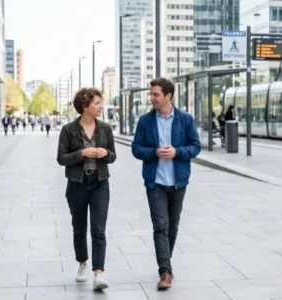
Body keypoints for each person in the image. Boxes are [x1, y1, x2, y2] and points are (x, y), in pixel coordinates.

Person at [131, 77, 201, 290]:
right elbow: (136, 149)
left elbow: (195, 147)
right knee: (160, 226)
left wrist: (177, 152)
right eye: (151, 94)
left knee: (172, 227)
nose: (151, 98)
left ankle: (165, 263)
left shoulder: (186, 119)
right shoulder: (145, 121)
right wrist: (154, 152)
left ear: (168, 96)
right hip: (156, 183)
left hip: (179, 182)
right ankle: (165, 271)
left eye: (155, 94)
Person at [57, 87, 117, 291]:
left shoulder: (106, 129)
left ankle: (98, 272)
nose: (101, 106)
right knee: (79, 228)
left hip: (100, 184)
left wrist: (105, 153)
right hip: (77, 185)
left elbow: (113, 156)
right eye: (97, 103)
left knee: (98, 229)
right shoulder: (68, 130)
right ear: (85, 106)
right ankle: (82, 263)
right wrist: (81, 153)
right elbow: (61, 158)